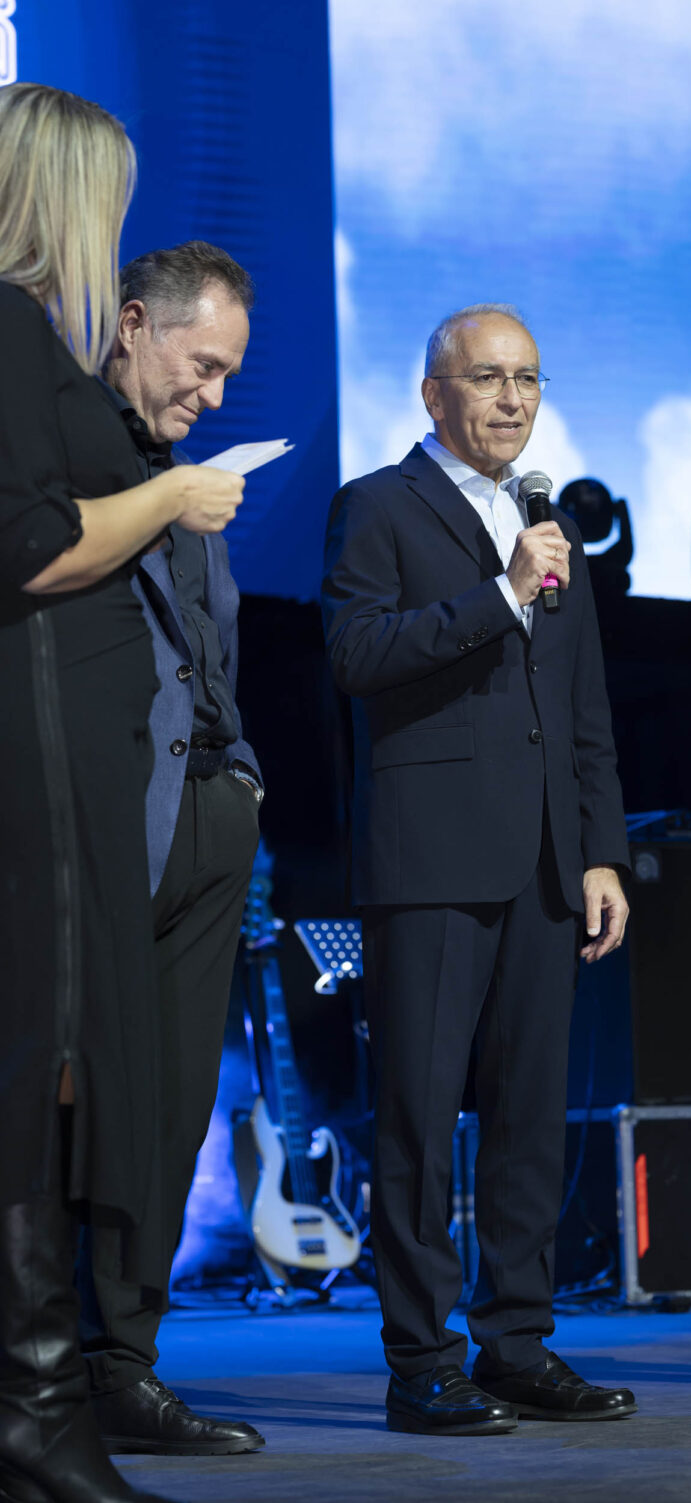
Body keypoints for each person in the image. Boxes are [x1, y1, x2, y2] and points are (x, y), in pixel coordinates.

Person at [323, 304, 636, 1435]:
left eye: (529, 380)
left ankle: (517, 1344)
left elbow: (582, 708)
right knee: (418, 1118)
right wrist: (500, 593)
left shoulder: (549, 529)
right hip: (432, 863)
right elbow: (357, 653)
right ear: (434, 394)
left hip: (548, 862)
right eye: (489, 378)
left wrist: (601, 851)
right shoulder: (377, 506)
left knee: (530, 1119)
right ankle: (421, 1361)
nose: (513, 400)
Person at [0, 83, 242, 1503]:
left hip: (86, 765)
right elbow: (29, 547)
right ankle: (40, 1410)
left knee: (70, 1078)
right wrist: (171, 496)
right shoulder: (13, 332)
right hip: (40, 770)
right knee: (43, 1068)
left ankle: (47, 1406)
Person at [73, 243, 265, 1456]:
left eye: (230, 372)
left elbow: (210, 654)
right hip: (97, 821)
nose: (214, 392)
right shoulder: (66, 446)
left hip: (206, 816)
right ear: (134, 324)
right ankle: (49, 1368)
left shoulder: (193, 487)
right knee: (78, 1101)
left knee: (173, 1107)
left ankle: (124, 1367)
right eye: (202, 364)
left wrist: (241, 780)